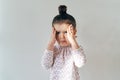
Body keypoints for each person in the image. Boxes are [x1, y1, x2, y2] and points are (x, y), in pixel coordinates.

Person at [41, 5, 86, 80]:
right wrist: (51, 43)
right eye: (58, 32)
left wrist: (73, 41)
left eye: (66, 32)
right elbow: (46, 65)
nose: (61, 36)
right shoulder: (53, 50)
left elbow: (80, 63)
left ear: (74, 32)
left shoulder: (75, 49)